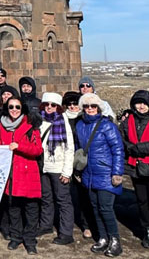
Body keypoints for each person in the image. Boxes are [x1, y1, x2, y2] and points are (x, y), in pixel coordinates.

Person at [75, 92, 125, 257]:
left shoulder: (107, 125)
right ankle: (103, 238)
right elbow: (78, 148)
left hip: (105, 173)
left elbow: (118, 149)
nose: (90, 109)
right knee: (95, 208)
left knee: (105, 208)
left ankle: (115, 240)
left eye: (93, 106)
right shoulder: (80, 125)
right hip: (89, 173)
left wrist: (117, 172)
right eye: (87, 106)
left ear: (98, 108)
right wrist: (78, 169)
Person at [119, 90, 149, 251]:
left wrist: (138, 148)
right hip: (135, 167)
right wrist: (130, 148)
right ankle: (147, 230)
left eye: (144, 103)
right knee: (142, 202)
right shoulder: (128, 121)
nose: (141, 106)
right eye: (138, 103)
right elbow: (122, 140)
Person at [0, 97, 43, 255]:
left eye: (17, 107)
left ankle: (30, 240)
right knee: (13, 208)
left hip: (27, 172)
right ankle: (16, 237)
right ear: (7, 109)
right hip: (10, 174)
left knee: (31, 209)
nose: (14, 110)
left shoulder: (31, 126)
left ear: (22, 108)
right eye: (11, 107)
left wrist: (19, 146)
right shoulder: (2, 126)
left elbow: (38, 150)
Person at [37, 93, 75, 245]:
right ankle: (46, 225)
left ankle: (66, 233)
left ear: (58, 107)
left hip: (58, 167)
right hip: (43, 166)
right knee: (46, 198)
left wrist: (67, 171)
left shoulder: (62, 121)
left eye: (53, 105)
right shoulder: (40, 120)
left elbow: (69, 148)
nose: (49, 107)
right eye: (47, 104)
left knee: (63, 200)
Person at [62, 91, 94, 240]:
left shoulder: (84, 119)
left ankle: (86, 224)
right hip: (67, 160)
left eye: (75, 103)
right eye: (69, 104)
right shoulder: (62, 120)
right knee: (69, 195)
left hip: (82, 162)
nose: (73, 106)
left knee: (84, 195)